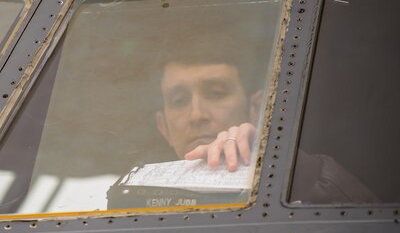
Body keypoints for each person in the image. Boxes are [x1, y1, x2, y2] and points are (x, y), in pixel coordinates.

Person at [152, 35, 378, 204]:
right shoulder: (128, 201)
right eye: (179, 100)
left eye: (216, 93)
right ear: (163, 127)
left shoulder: (302, 181)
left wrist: (276, 155)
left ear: (257, 108)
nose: (197, 115)